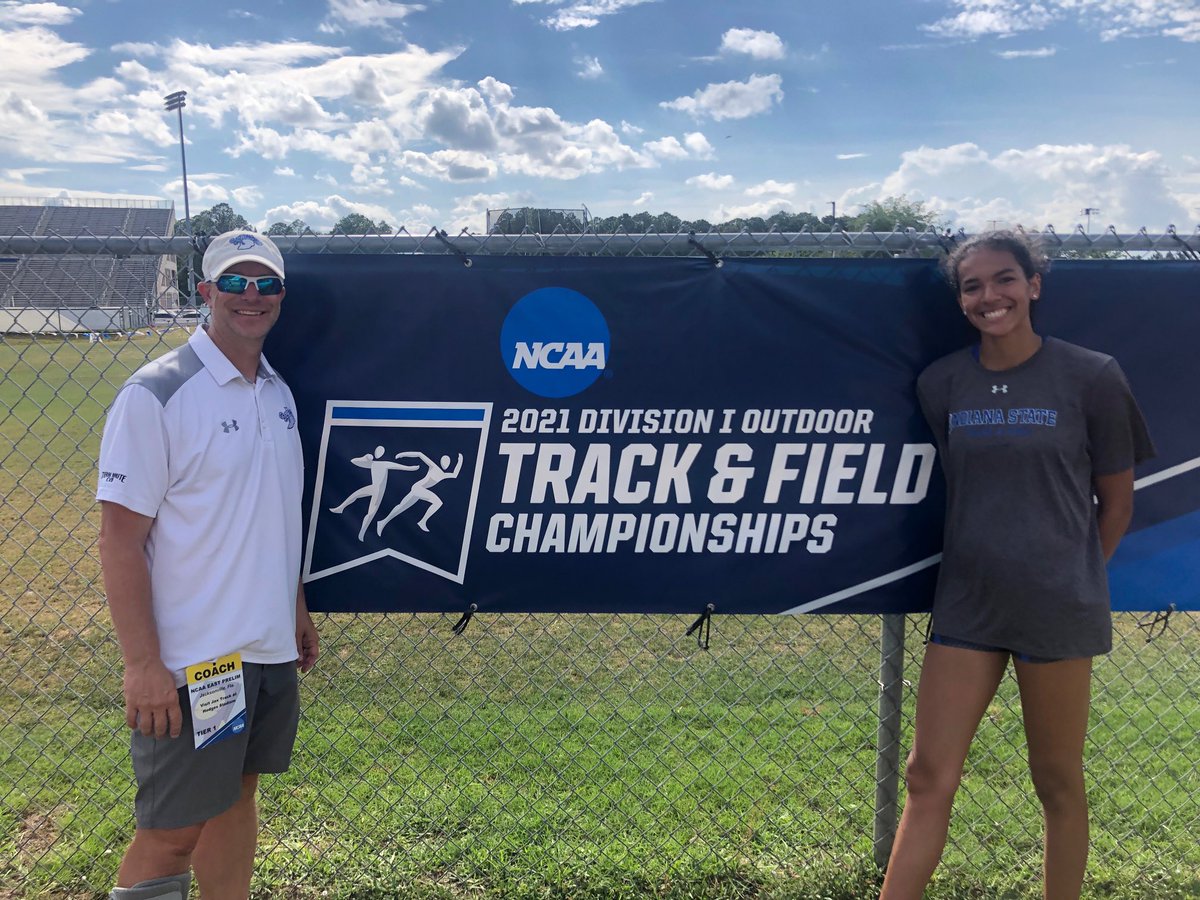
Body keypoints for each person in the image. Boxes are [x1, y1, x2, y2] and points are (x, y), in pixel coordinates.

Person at [879, 231, 1154, 900]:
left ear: (1033, 284)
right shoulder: (942, 383)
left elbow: (1117, 504)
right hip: (968, 606)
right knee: (925, 775)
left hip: (1057, 609)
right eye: (971, 286)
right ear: (960, 301)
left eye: (1004, 278)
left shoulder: (1092, 375)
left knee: (1056, 781)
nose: (989, 296)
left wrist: (1071, 575)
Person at [97, 230, 319, 900]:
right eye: (235, 283)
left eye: (266, 284)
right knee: (171, 833)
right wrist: (143, 665)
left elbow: (272, 512)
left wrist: (296, 607)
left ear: (281, 294)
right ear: (206, 292)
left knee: (235, 796)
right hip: (195, 662)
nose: (252, 297)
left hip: (265, 649)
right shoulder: (157, 393)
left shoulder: (278, 393)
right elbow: (118, 542)